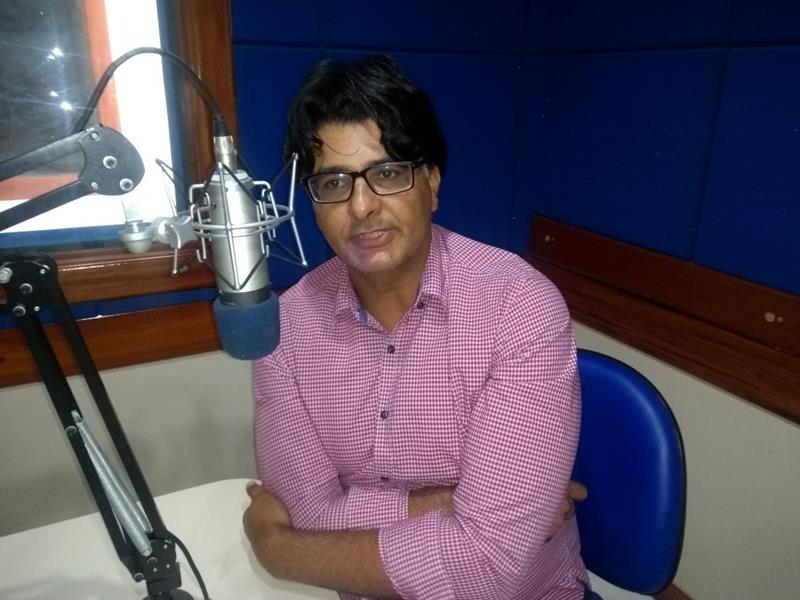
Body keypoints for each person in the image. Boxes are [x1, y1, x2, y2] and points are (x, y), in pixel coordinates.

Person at [244, 54, 593, 600]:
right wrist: (449, 503)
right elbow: (306, 511)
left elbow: (486, 567)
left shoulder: (518, 308)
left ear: (431, 181)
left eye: (387, 174)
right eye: (333, 181)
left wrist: (281, 551)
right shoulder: (285, 328)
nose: (361, 206)